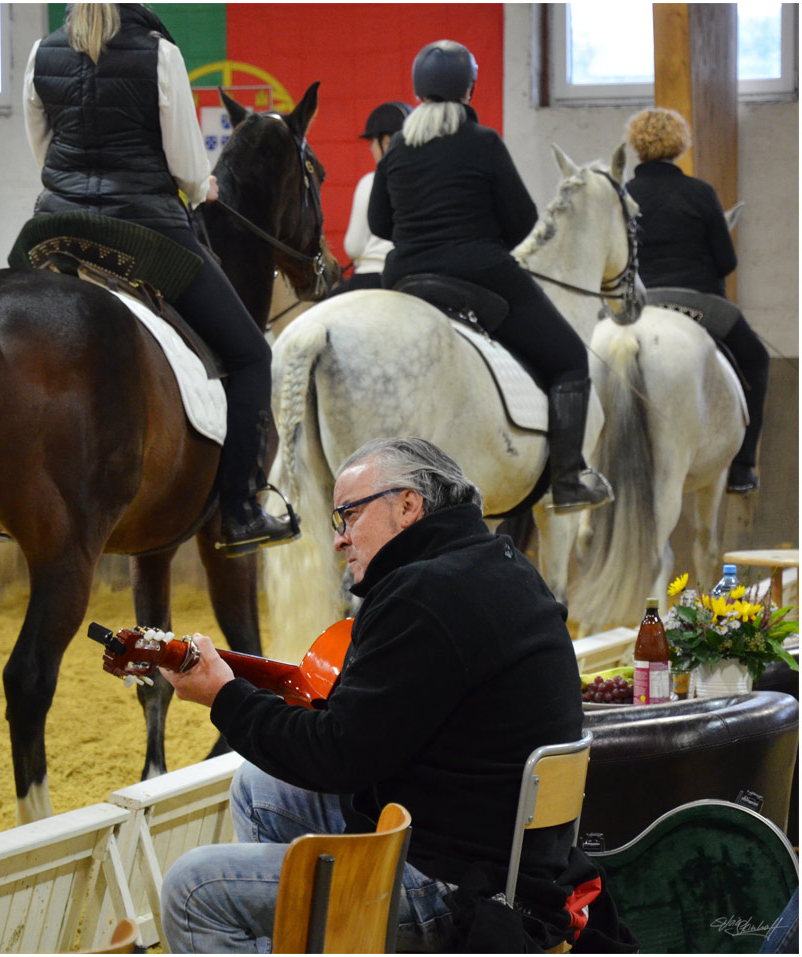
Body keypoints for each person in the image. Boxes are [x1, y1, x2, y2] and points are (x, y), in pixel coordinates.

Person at [158, 436, 589, 952]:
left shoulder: (423, 594)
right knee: (260, 789)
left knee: (192, 890)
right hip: (509, 857)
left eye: (349, 515)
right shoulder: (498, 563)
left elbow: (339, 755)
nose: (340, 539)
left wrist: (224, 697)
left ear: (408, 506)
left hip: (457, 888)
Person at [23, 2, 298, 557]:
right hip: (144, 235)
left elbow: (42, 149)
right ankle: (241, 510)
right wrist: (202, 189)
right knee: (249, 356)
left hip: (57, 229)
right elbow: (189, 167)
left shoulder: (41, 52)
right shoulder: (159, 52)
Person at [368, 40, 611, 512]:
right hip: (478, 274)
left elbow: (380, 224)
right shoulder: (483, 142)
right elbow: (522, 222)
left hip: (407, 279)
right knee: (567, 358)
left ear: (417, 89)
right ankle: (567, 478)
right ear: (470, 88)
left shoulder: (398, 146)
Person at [625, 107, 770, 494]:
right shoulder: (700, 193)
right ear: (679, 145)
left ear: (637, 146)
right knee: (755, 358)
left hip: (637, 307)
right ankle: (742, 467)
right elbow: (726, 262)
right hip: (699, 304)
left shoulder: (622, 196)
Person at [329, 100, 410, 297]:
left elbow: (354, 247)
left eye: (373, 141)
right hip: (409, 277)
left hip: (370, 278)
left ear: (388, 141)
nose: (370, 148)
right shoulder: (423, 181)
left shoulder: (370, 181)